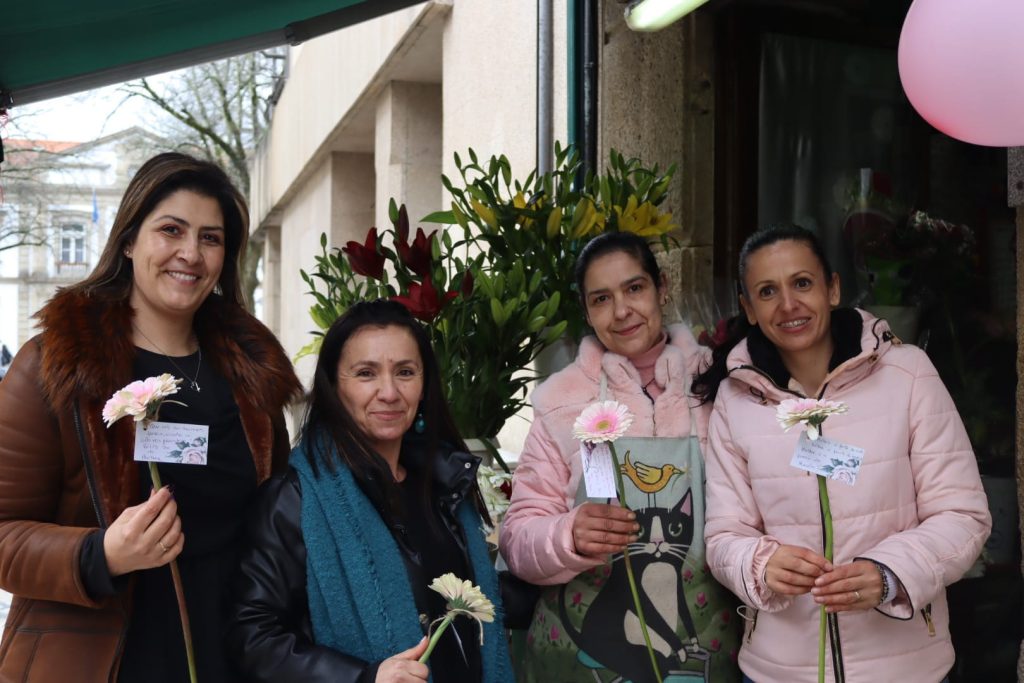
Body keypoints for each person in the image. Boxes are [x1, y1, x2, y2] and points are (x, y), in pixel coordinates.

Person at [0, 152, 302, 682]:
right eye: (171, 230)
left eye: (211, 238)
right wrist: (99, 555)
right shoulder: (57, 368)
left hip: (232, 657)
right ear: (128, 241)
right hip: (101, 663)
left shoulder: (251, 377)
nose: (191, 253)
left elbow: (277, 524)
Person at [693, 224, 991, 683]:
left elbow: (963, 515)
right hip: (779, 671)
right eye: (767, 291)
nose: (788, 304)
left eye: (802, 283)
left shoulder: (907, 374)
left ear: (832, 289)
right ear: (749, 308)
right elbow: (724, 535)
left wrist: (890, 573)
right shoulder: (736, 401)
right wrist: (761, 563)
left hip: (903, 668)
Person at [228, 299, 514, 683]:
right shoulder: (295, 499)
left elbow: (463, 600)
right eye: (366, 373)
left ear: (425, 384)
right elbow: (252, 638)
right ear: (333, 386)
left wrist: (560, 551)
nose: (389, 392)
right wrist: (362, 677)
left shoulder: (444, 485)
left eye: (405, 372)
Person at [500, 231, 742, 683]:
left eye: (634, 288)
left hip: (703, 645)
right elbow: (517, 538)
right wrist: (567, 534)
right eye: (601, 299)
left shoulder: (721, 383)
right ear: (586, 310)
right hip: (586, 653)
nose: (622, 311)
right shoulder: (561, 401)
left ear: (662, 287)